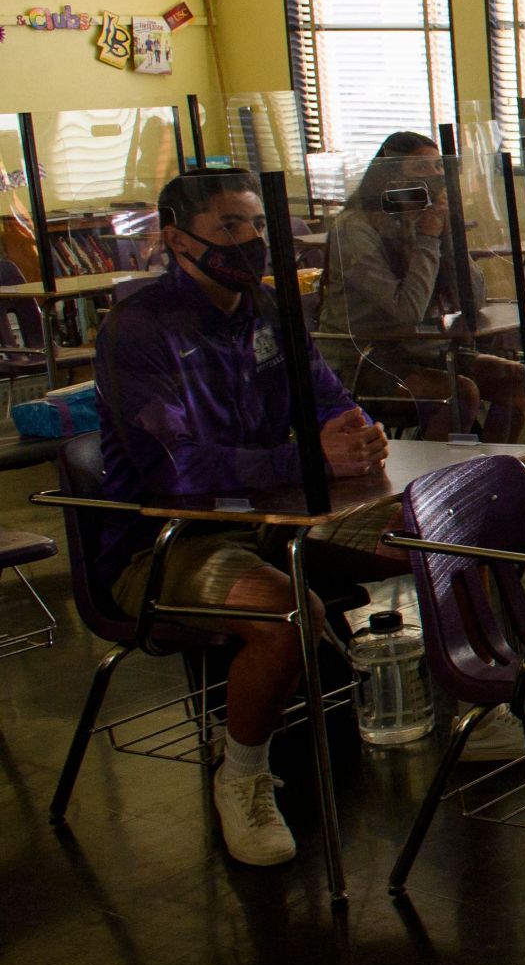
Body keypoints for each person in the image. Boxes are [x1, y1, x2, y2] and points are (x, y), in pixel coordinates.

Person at [97, 172, 398, 867]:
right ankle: (242, 778)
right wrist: (304, 459)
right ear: (177, 239)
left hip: (276, 520)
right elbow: (176, 470)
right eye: (230, 227)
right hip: (166, 542)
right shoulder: (138, 332)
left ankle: (493, 701)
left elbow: (326, 397)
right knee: (283, 610)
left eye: (258, 225)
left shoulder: (265, 309)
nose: (252, 242)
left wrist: (357, 432)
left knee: (431, 538)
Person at [317, 132, 525, 442]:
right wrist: (429, 238)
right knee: (460, 395)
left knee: (518, 380)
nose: (434, 177)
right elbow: (407, 310)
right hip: (367, 359)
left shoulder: (425, 219)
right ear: (390, 175)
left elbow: (475, 299)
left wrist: (449, 235)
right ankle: (433, 486)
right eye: (420, 169)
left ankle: (489, 471)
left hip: (425, 352)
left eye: (438, 168)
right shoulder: (354, 227)